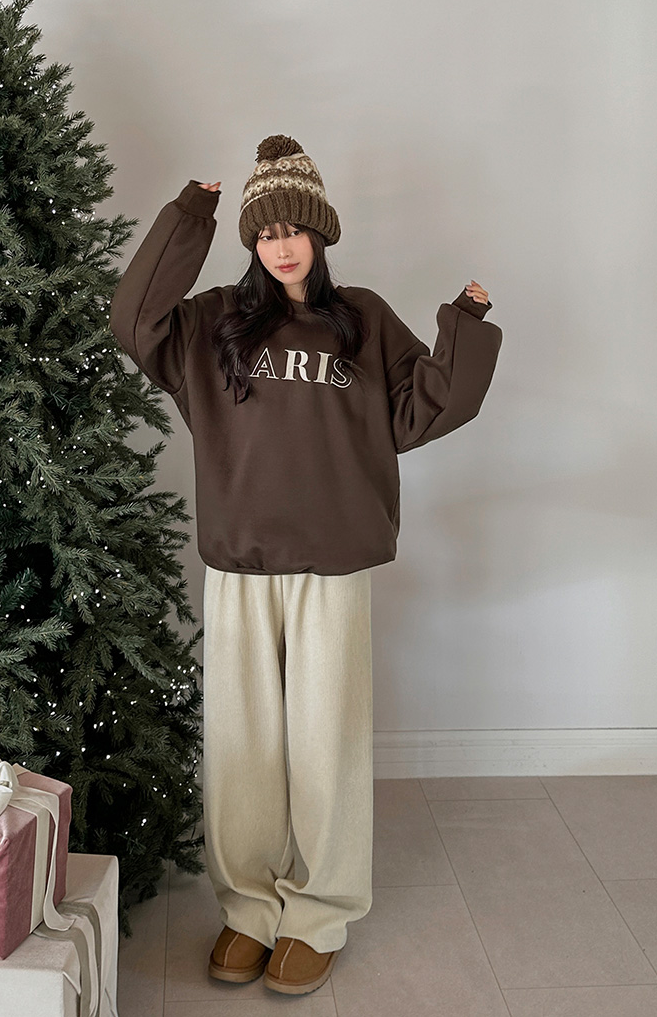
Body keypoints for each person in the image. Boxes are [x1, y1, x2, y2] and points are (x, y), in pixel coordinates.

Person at [109, 134, 503, 996]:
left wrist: (463, 329)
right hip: (241, 562)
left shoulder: (361, 318)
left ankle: (318, 913)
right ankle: (250, 906)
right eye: (265, 231)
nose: (281, 244)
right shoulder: (212, 322)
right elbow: (132, 320)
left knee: (327, 742)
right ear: (250, 240)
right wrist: (190, 215)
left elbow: (426, 408)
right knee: (243, 743)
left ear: (320, 232)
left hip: (333, 563)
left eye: (294, 228)